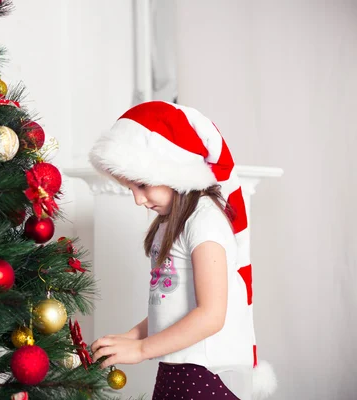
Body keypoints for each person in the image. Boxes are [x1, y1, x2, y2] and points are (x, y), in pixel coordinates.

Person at [88, 101, 276, 400]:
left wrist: (140, 349)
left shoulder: (205, 221)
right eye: (130, 189)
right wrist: (130, 338)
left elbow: (211, 316)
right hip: (176, 365)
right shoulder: (172, 222)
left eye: (142, 185)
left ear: (174, 169)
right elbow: (173, 309)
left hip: (205, 372)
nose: (138, 200)